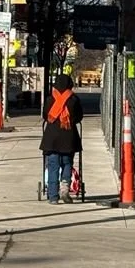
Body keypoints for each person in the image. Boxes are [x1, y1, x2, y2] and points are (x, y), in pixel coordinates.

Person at [40, 74, 83, 204]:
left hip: (52, 138)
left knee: (53, 165)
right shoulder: (74, 99)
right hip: (68, 137)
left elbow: (46, 115)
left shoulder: (50, 99)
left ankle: (53, 196)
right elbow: (79, 117)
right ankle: (64, 188)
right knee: (67, 162)